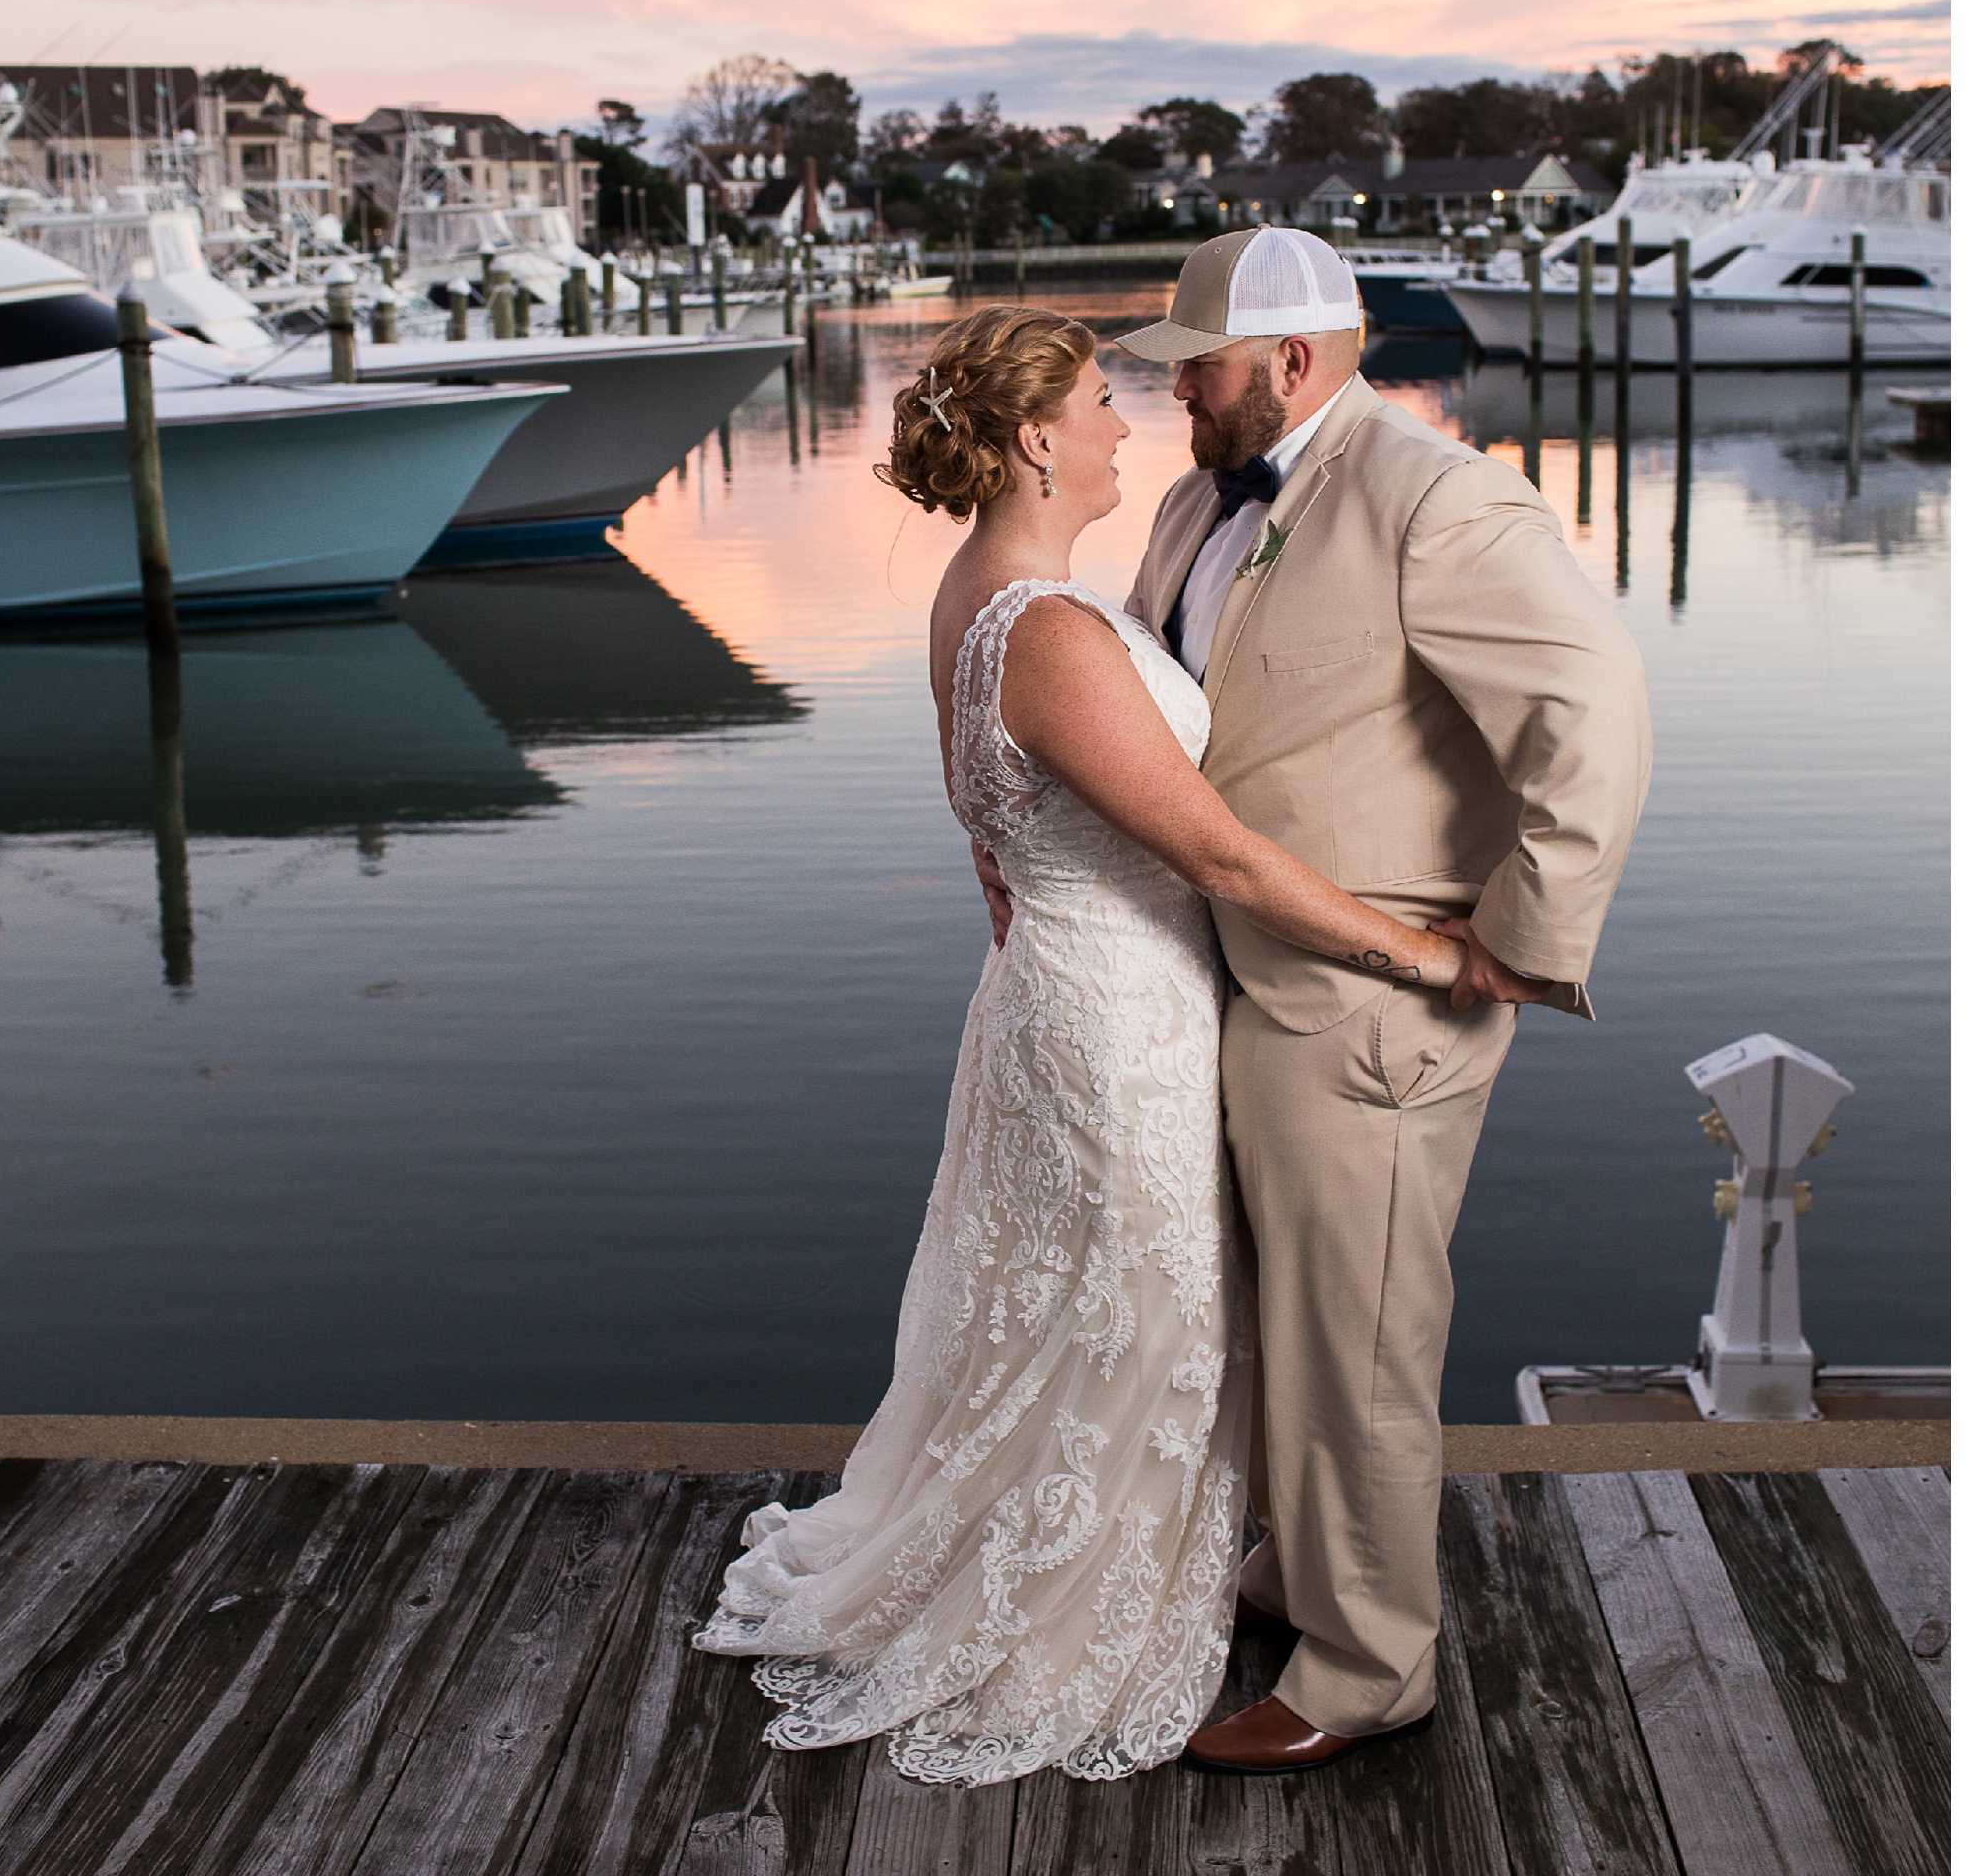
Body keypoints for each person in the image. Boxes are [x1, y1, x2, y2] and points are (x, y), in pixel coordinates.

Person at [693, 304, 1480, 1785]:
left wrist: (1019, 862)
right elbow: (1226, 859)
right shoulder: (1046, 628)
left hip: (1062, 982)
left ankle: (1155, 1541)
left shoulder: (983, 591)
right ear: (1037, 438)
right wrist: (1427, 950)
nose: (1129, 419)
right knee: (1137, 1305)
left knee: (1075, 1303)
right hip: (1116, 1014)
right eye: (1099, 399)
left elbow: (986, 803)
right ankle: (1066, 1594)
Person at [1100, 223, 1652, 1773]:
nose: (1174, 396)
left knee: (1363, 1333)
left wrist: (1517, 943)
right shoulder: (1197, 498)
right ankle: (1303, 1566)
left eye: (1195, 368)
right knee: (1279, 1315)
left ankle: (1366, 1666)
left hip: (1377, 994)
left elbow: (1589, 710)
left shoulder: (1438, 496)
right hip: (1231, 972)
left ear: (1287, 359)